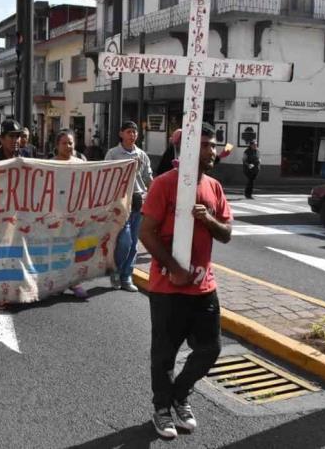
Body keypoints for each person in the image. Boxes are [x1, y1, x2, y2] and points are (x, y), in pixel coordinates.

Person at [139, 122, 232, 439]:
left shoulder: (215, 187)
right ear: (191, 149)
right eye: (206, 145)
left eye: (214, 145)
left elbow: (227, 234)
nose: (213, 151)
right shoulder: (164, 184)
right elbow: (146, 232)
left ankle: (179, 395)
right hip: (167, 289)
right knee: (164, 354)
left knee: (210, 349)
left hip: (204, 287)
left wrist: (208, 218)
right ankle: (162, 409)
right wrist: (173, 267)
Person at [105, 121, 153, 292]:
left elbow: (148, 179)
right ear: (121, 134)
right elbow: (105, 177)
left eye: (134, 132)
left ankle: (126, 275)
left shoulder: (142, 155)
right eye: (128, 131)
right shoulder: (113, 154)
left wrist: (154, 194)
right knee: (124, 241)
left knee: (133, 243)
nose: (132, 135)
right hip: (120, 202)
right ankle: (115, 270)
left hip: (138, 201)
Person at [51, 129, 89, 299]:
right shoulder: (49, 165)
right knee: (57, 248)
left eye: (71, 143)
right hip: (55, 215)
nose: (68, 146)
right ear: (57, 145)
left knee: (74, 248)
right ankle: (57, 282)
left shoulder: (81, 163)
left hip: (76, 215)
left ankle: (74, 282)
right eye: (64, 143)